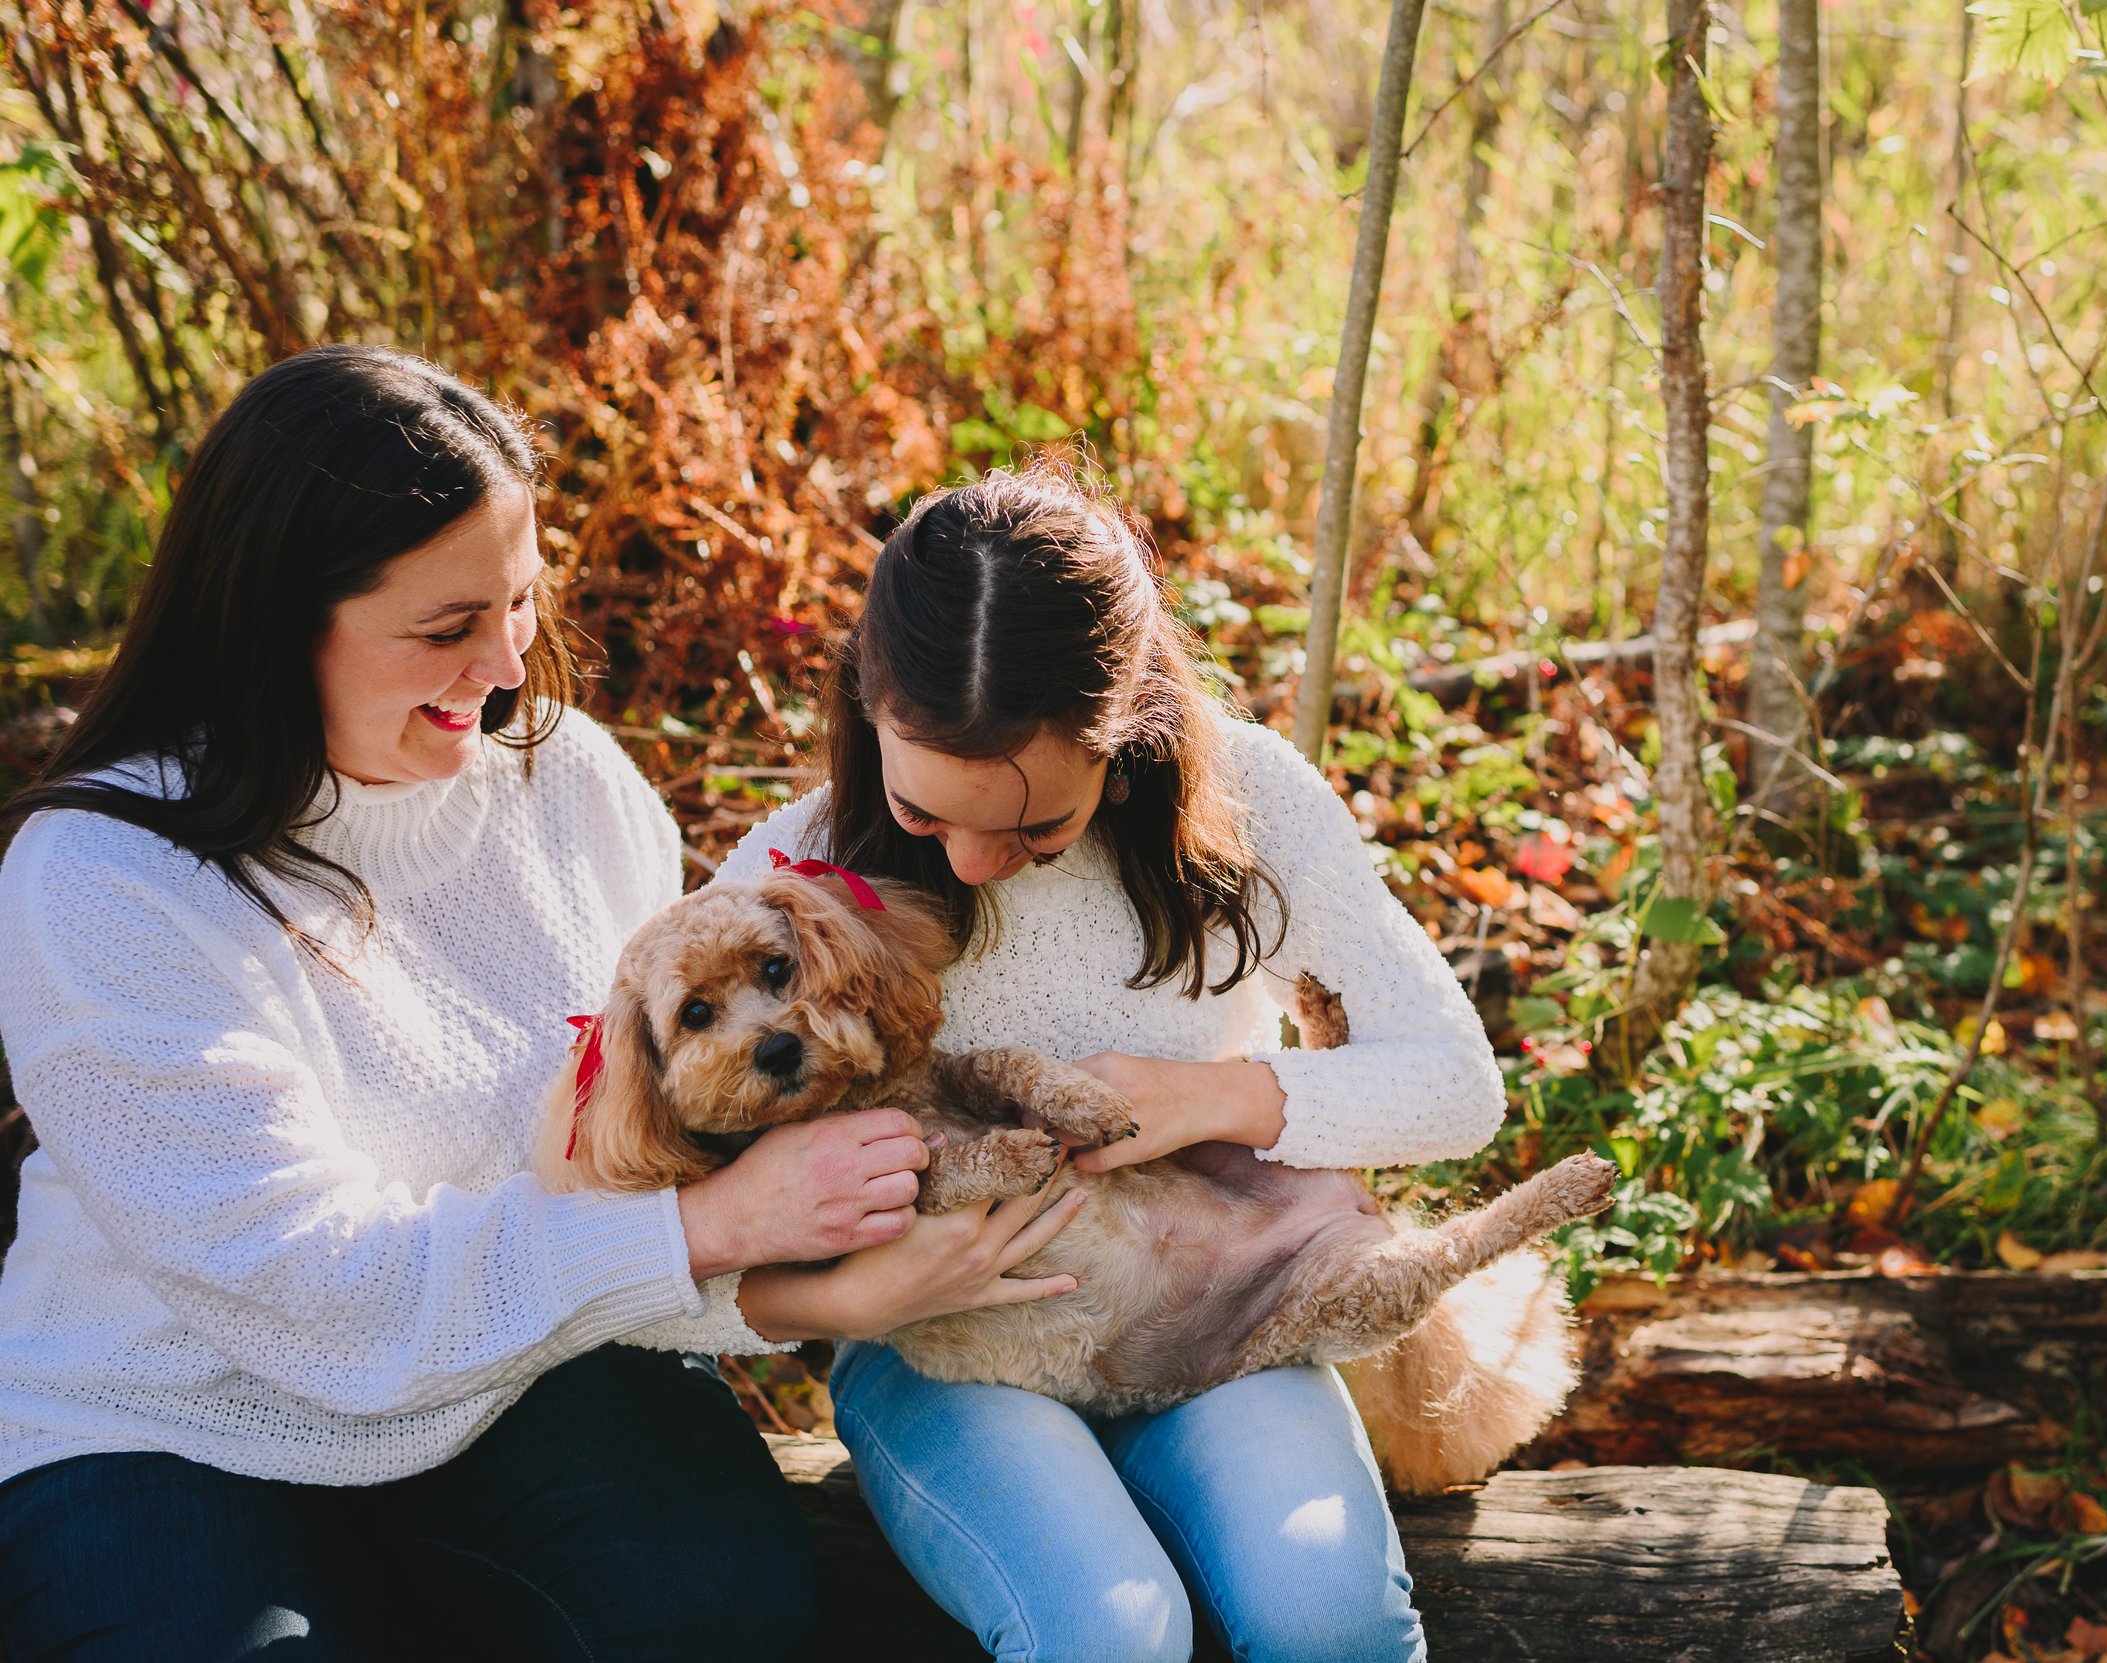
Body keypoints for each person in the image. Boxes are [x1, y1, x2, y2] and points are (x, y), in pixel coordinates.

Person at [0, 346, 1078, 1661]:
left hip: (517, 1375)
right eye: (448, 628)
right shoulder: (111, 877)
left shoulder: (559, 780)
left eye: (520, 600)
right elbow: (313, 1290)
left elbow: (638, 1158)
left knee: (723, 1615)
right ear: (273, 622)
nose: (509, 665)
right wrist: (716, 1228)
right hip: (173, 1419)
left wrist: (805, 1288)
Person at [719, 464, 1508, 1663]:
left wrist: (1214, 1097)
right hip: (952, 1354)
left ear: (1126, 731)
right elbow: (658, 1216)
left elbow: (1458, 1083)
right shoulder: (796, 875)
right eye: (928, 816)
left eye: (1036, 825)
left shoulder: (1251, 806)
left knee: (1328, 1620)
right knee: (1109, 1635)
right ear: (869, 708)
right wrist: (839, 1300)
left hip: (1219, 1317)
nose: (976, 865)